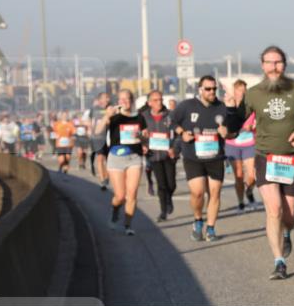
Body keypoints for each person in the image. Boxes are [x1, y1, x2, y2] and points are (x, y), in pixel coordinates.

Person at [236, 46, 294, 280]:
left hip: (293, 158)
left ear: (285, 64)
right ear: (262, 65)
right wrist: (229, 110)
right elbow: (238, 120)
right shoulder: (253, 93)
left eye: (278, 62)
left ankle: (286, 233)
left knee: (289, 216)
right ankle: (279, 261)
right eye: (269, 62)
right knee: (274, 210)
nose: (274, 67)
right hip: (265, 157)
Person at [171, 76, 230, 242]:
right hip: (193, 156)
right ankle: (198, 220)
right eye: (208, 89)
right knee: (197, 193)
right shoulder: (187, 106)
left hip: (215, 156)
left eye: (214, 89)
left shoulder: (221, 107)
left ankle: (210, 228)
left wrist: (227, 132)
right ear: (200, 90)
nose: (212, 92)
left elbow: (231, 130)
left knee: (215, 192)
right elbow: (172, 121)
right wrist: (182, 133)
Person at [98, 89, 146, 235]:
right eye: (121, 99)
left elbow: (145, 137)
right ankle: (115, 210)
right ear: (118, 101)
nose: (124, 101)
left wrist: (142, 138)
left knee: (131, 195)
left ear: (132, 101)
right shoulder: (114, 117)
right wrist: (107, 116)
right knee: (120, 196)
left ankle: (127, 225)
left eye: (127, 99)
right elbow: (97, 131)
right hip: (116, 158)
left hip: (134, 157)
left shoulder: (139, 117)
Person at [141, 89, 178, 222]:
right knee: (161, 184)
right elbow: (138, 135)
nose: (159, 102)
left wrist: (174, 148)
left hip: (169, 155)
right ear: (149, 103)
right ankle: (163, 211)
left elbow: (178, 135)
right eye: (156, 100)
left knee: (172, 184)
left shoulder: (170, 115)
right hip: (153, 155)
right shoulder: (144, 117)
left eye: (161, 99)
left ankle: (169, 198)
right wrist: (143, 144)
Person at [224, 79, 258, 212]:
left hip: (249, 143)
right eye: (239, 90)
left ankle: (249, 191)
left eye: (244, 90)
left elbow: (259, 123)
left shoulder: (251, 107)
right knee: (238, 176)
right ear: (234, 91)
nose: (242, 93)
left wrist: (253, 127)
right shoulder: (228, 106)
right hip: (233, 145)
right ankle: (240, 202)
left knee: (252, 176)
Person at [87, 92, 111, 189]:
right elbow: (90, 120)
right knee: (100, 157)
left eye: (108, 98)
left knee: (109, 159)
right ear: (100, 99)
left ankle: (107, 175)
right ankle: (102, 179)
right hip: (97, 137)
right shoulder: (94, 109)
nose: (106, 100)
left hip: (109, 137)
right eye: (104, 98)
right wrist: (89, 130)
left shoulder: (111, 108)